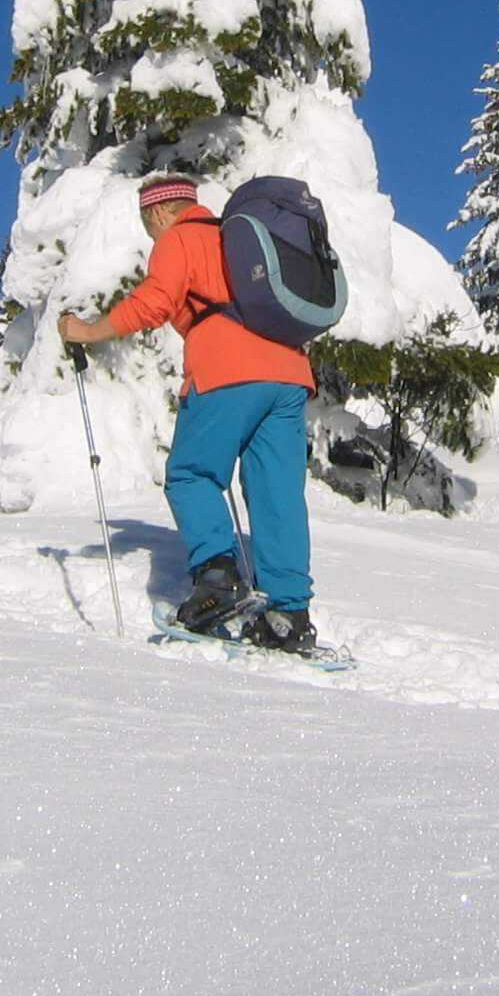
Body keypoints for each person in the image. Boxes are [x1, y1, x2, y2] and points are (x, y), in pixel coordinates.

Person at [58, 175, 323, 655]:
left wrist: (90, 331)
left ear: (159, 212)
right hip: (289, 373)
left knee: (190, 475)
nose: (151, 235)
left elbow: (155, 302)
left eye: (148, 225)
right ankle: (289, 615)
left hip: (228, 370)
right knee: (276, 493)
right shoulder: (236, 240)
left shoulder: (181, 237)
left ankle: (219, 581)